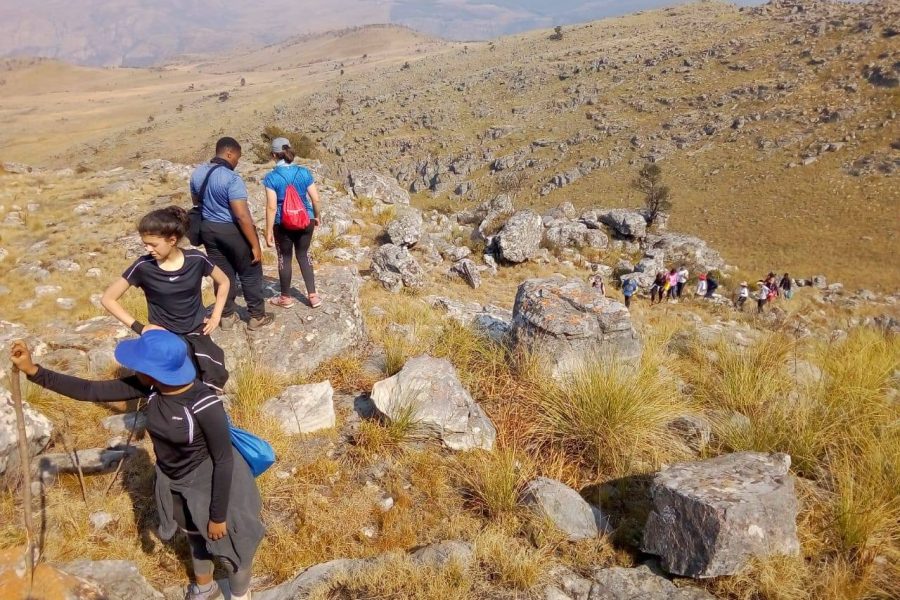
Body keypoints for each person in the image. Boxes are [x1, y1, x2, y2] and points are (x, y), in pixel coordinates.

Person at [11, 333, 264, 600]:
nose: (134, 369)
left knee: (235, 548)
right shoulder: (152, 387)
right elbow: (90, 390)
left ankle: (239, 595)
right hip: (174, 480)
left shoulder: (204, 404)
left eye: (139, 365)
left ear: (155, 372)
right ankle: (205, 588)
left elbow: (223, 459)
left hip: (212, 482)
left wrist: (217, 515)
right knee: (194, 535)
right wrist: (33, 370)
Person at [101, 206, 231, 392]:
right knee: (178, 385)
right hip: (167, 337)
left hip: (197, 330)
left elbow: (224, 281)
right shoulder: (143, 266)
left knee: (211, 377)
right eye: (145, 244)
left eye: (153, 244)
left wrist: (216, 315)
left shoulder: (196, 259)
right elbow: (108, 299)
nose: (148, 249)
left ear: (172, 240)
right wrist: (140, 327)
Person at [191, 136, 274, 330]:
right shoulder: (232, 178)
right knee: (250, 272)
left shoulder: (198, 173)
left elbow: (196, 201)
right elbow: (242, 216)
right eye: (237, 157)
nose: (237, 161)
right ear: (229, 153)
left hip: (208, 230)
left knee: (222, 273)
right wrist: (255, 245)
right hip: (231, 230)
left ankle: (227, 315)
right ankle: (257, 316)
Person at [264, 137, 323, 309]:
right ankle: (313, 296)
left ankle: (285, 298)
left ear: (274, 155)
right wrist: (316, 216)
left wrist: (268, 231)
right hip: (306, 219)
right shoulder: (304, 172)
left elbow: (271, 207)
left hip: (282, 223)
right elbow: (316, 199)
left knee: (285, 257)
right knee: (304, 255)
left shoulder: (271, 177)